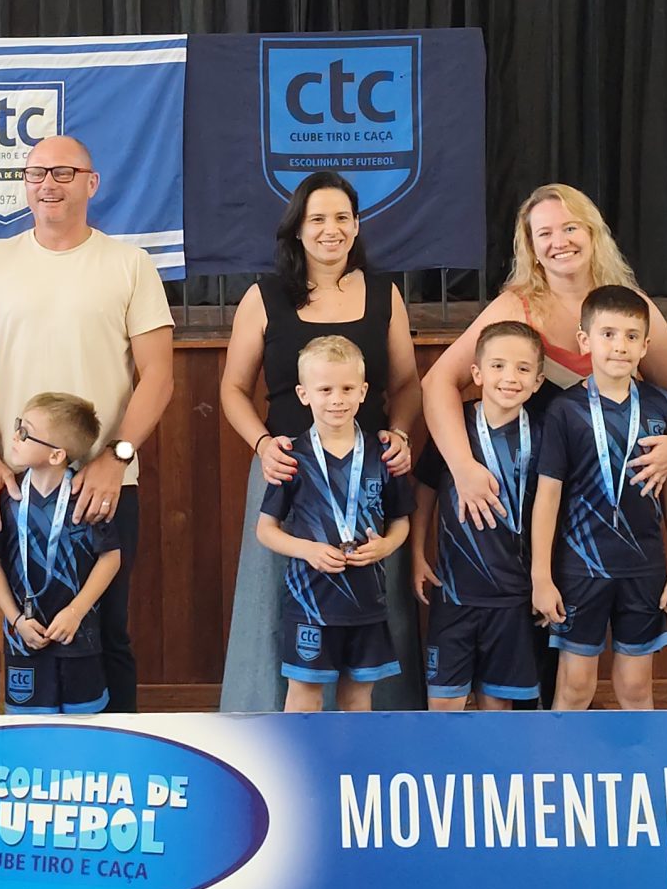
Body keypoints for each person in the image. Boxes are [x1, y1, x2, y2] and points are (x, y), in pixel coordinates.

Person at [0, 134, 173, 713]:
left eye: (63, 172)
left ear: (91, 183)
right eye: (36, 173)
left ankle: (122, 752)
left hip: (103, 482)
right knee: (26, 621)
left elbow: (158, 375)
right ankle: (34, 752)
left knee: (108, 628)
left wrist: (116, 456)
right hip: (18, 484)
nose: (48, 183)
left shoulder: (129, 264)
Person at [217, 170, 423, 711]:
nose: (331, 229)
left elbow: (406, 384)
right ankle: (273, 727)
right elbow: (233, 390)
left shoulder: (384, 294)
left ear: (356, 226)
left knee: (374, 599)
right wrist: (263, 446)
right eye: (317, 219)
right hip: (288, 473)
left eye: (341, 218)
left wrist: (401, 433)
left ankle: (374, 731)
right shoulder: (262, 297)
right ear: (297, 229)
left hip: (368, 478)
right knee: (273, 605)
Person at [422, 185, 667, 531]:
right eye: (545, 233)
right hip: (532, 508)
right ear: (531, 248)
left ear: (593, 233)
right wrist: (463, 466)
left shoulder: (630, 308)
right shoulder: (514, 308)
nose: (560, 242)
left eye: (570, 228)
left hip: (603, 515)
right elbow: (437, 381)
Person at [530, 287, 667, 710]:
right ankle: (561, 754)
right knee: (575, 688)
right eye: (608, 334)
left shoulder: (660, 404)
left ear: (645, 346)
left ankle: (643, 755)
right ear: (585, 341)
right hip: (582, 567)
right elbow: (548, 495)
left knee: (636, 689)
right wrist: (541, 576)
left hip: (645, 568)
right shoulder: (564, 410)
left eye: (632, 336)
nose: (620, 346)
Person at [255, 336, 412, 713]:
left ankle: (352, 756)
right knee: (304, 698)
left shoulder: (383, 454)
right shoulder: (291, 457)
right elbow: (265, 530)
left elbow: (402, 521)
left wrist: (386, 545)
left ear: (363, 392)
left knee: (357, 699)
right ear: (303, 394)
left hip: (367, 604)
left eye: (347, 389)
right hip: (310, 603)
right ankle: (297, 756)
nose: (337, 399)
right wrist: (308, 550)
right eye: (325, 389)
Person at [413, 320, 547, 711]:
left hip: (513, 599)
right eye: (498, 366)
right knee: (444, 708)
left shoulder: (544, 434)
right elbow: (425, 490)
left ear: (538, 381)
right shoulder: (452, 427)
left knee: (497, 711)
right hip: (454, 595)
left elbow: (552, 510)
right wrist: (417, 555)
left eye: (523, 368)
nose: (510, 377)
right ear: (476, 373)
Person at [0, 391, 122, 716]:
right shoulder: (7, 496)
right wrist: (16, 619)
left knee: (83, 728)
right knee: (28, 730)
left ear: (56, 455)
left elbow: (111, 557)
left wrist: (75, 612)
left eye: (25, 432)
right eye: (18, 425)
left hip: (78, 639)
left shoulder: (85, 499)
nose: (15, 436)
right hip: (23, 639)